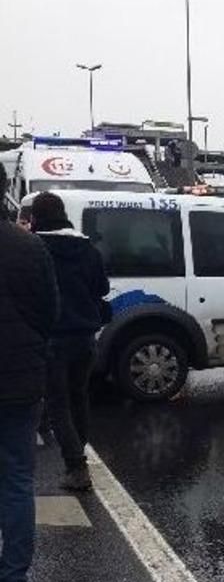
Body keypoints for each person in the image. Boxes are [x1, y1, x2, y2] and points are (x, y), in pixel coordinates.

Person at [0, 164, 59, 582]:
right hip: (19, 381)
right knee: (17, 479)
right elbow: (47, 314)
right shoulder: (30, 247)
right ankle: (13, 581)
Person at [30, 192, 109, 492]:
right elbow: (101, 286)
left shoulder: (38, 248)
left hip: (54, 338)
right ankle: (80, 453)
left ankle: (76, 466)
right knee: (79, 398)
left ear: (37, 217)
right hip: (86, 337)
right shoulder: (87, 247)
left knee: (57, 404)